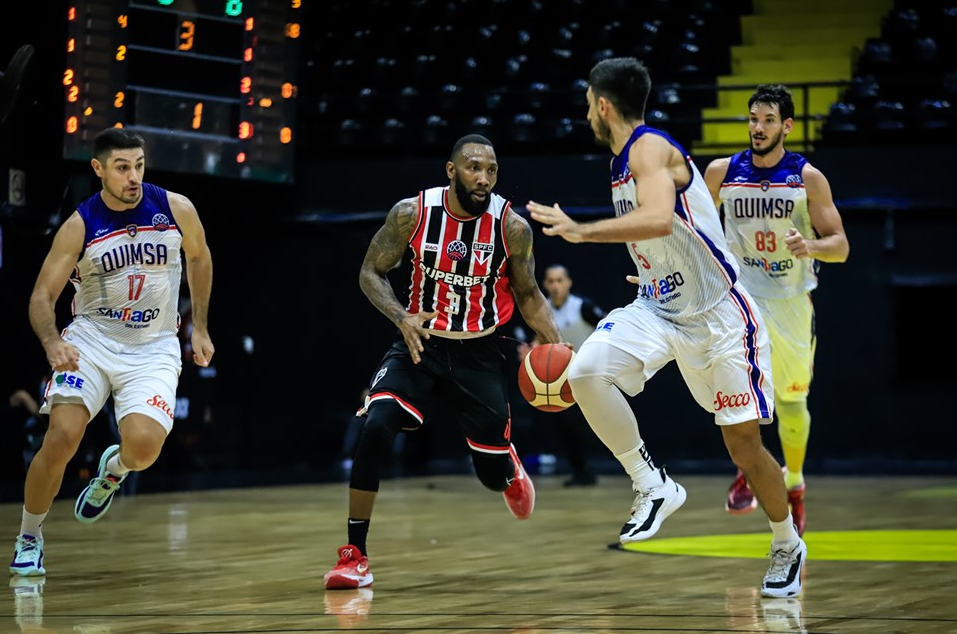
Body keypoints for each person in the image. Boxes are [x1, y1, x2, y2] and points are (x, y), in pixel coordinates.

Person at [526, 57, 807, 599]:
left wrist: (581, 232)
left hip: (720, 317)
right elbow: (667, 230)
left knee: (744, 447)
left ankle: (786, 542)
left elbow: (657, 217)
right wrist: (657, 267)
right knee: (585, 372)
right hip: (657, 305)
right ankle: (651, 483)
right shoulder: (620, 162)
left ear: (603, 105)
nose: (586, 114)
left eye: (588, 104)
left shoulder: (649, 147)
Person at [323, 134, 563, 590]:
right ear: (451, 171)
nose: (483, 178)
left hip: (480, 351)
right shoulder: (411, 214)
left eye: (491, 170)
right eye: (474, 168)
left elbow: (529, 292)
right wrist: (401, 317)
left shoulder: (511, 227)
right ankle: (354, 555)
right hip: (421, 343)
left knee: (490, 477)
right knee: (376, 426)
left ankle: (508, 468)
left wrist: (558, 346)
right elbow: (370, 271)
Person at [9, 126, 215, 577]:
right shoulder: (80, 225)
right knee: (62, 437)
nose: (133, 176)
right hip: (92, 341)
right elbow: (42, 296)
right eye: (122, 168)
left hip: (154, 346)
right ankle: (29, 535)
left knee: (143, 450)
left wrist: (199, 326)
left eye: (138, 165)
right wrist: (53, 342)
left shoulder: (176, 208)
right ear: (98, 169)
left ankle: (114, 471)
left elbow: (199, 257)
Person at [704, 84, 849, 535]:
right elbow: (692, 231)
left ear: (786, 126)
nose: (758, 127)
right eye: (753, 119)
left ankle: (795, 483)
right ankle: (749, 468)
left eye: (768, 120)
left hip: (790, 302)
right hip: (740, 297)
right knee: (738, 392)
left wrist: (811, 246)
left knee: (790, 402)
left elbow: (841, 247)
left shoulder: (808, 178)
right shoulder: (721, 173)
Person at [538, 264, 606, 486]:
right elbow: (539, 339)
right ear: (545, 284)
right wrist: (530, 350)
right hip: (561, 378)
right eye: (551, 281)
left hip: (590, 374)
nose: (555, 285)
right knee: (565, 425)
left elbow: (608, 327)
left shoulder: (583, 307)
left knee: (594, 424)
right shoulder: (541, 310)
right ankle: (581, 471)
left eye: (560, 280)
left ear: (568, 283)